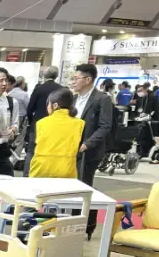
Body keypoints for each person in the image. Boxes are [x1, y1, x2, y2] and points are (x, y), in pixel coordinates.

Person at [70, 63, 113, 191]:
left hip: (89, 150)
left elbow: (105, 126)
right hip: (70, 147)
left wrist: (88, 143)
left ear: (88, 79)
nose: (73, 82)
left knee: (83, 185)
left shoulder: (102, 99)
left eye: (76, 78)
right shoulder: (73, 99)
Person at [29, 88, 84, 178]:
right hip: (67, 170)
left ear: (55, 106)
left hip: (41, 168)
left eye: (48, 104)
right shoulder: (80, 124)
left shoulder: (41, 123)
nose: (47, 107)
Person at [23, 66, 63, 175]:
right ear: (57, 75)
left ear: (44, 75)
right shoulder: (61, 89)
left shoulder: (38, 89)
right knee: (52, 151)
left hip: (37, 124)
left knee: (31, 151)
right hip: (55, 126)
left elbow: (30, 109)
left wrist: (31, 121)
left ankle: (26, 175)